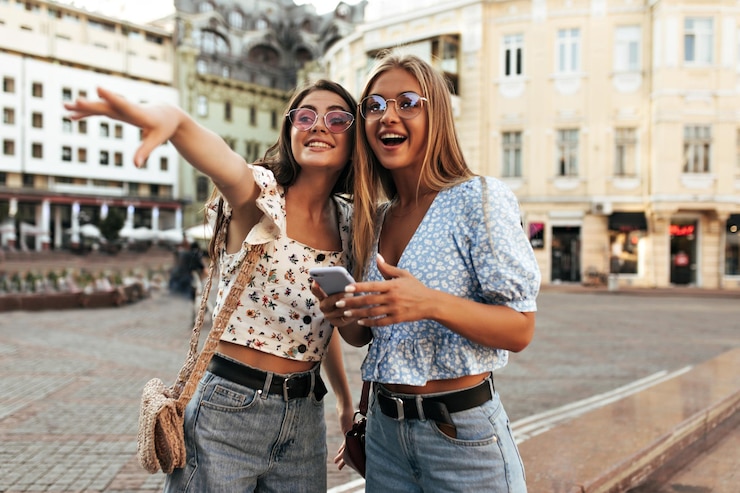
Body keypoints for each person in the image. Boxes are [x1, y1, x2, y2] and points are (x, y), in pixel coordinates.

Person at [65, 79, 357, 492]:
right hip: (230, 408)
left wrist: (345, 403)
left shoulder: (349, 223)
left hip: (306, 419)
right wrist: (174, 121)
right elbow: (220, 158)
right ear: (289, 130)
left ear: (354, 138)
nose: (319, 126)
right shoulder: (260, 194)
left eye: (337, 119)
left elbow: (321, 328)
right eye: (305, 116)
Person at [312, 52, 541, 491]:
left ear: (435, 115)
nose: (387, 116)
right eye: (374, 106)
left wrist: (430, 303)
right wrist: (344, 316)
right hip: (385, 434)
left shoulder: (479, 199)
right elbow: (364, 336)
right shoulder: (374, 218)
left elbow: (520, 329)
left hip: (462, 437)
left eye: (407, 102)